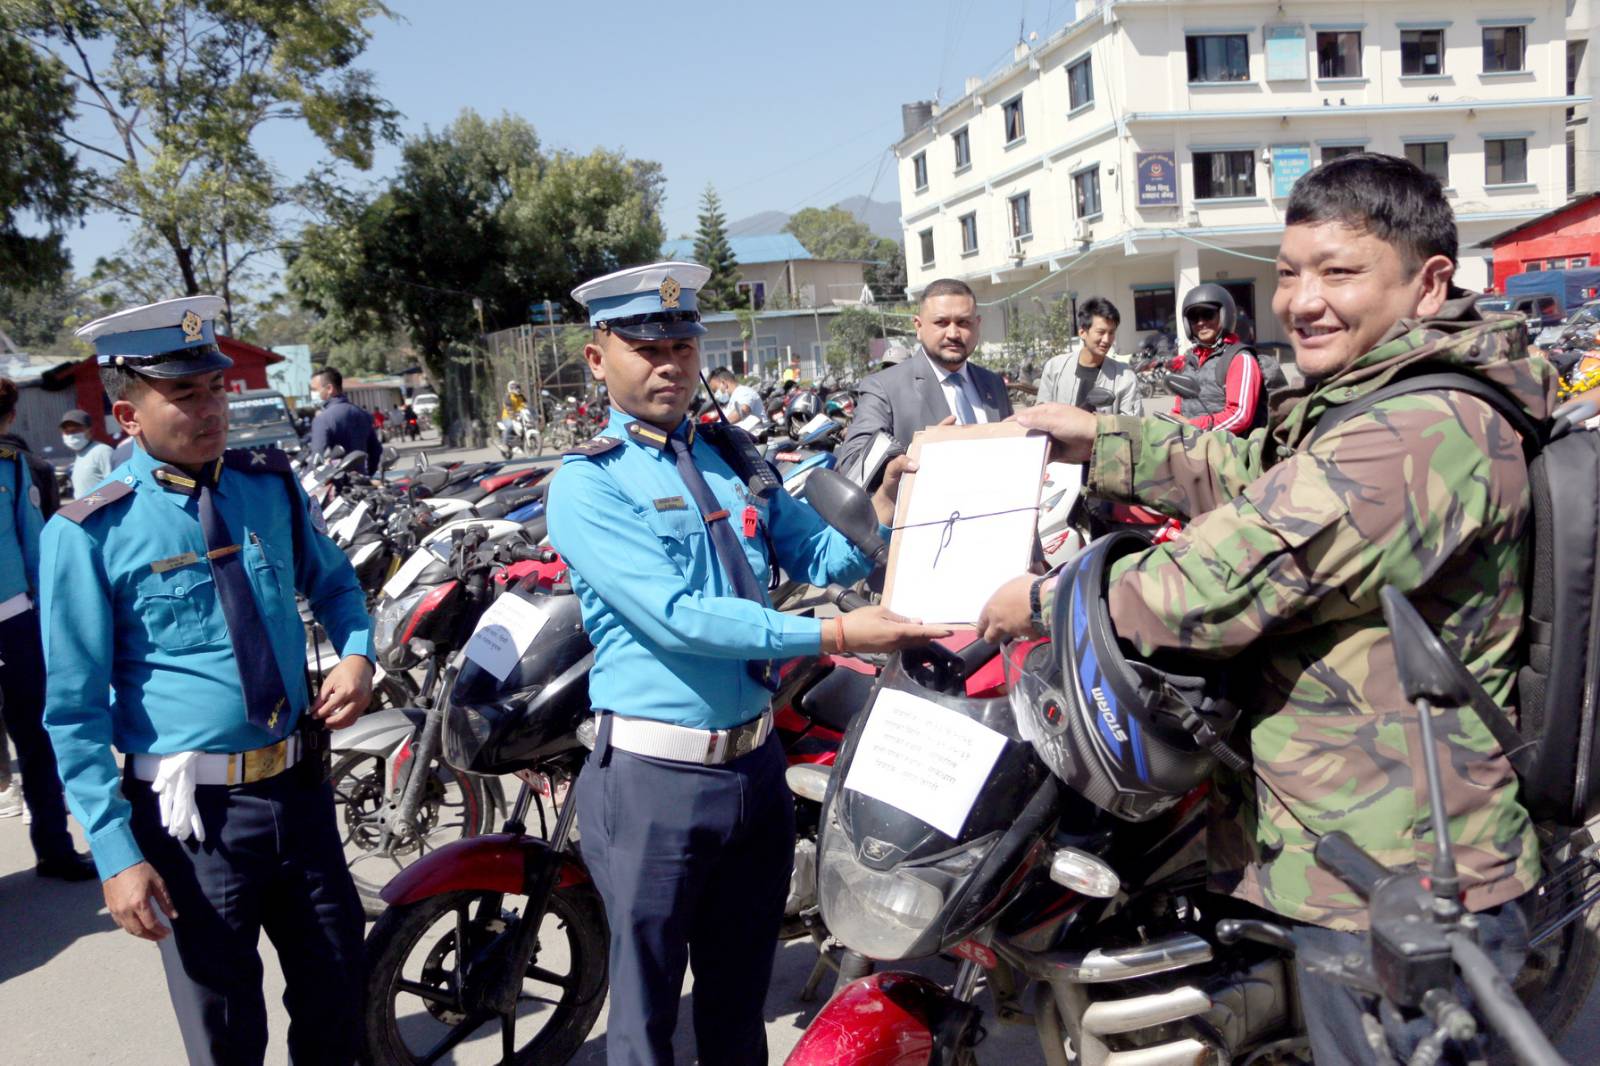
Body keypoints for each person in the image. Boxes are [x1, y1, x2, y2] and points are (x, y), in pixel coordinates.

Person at [977, 154, 1542, 1065]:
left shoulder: (1426, 429)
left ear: (1429, 283)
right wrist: (1099, 439)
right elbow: (1250, 480)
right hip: (1351, 845)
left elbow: (1218, 582)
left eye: (1339, 271)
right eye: (1288, 272)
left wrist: (1046, 600)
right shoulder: (1367, 400)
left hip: (1404, 875)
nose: (1302, 300)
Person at [546, 261, 947, 1066]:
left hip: (753, 772)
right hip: (654, 782)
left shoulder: (733, 455)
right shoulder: (588, 485)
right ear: (599, 359)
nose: (671, 363)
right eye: (645, 346)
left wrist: (893, 505)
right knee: (646, 1021)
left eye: (684, 344)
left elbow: (823, 553)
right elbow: (680, 617)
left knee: (738, 1006)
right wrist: (832, 639)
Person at [40, 296, 375, 1065]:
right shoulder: (91, 531)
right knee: (226, 1032)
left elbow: (338, 588)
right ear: (128, 414)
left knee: (337, 1001)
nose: (210, 407)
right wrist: (118, 854)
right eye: (184, 394)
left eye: (216, 388)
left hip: (299, 787)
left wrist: (358, 655)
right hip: (196, 822)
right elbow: (74, 712)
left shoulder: (266, 485)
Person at [0, 377, 94, 876]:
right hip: (15, 620)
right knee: (35, 741)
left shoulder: (14, 468)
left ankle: (55, 849)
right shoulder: (15, 468)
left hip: (15, 621)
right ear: (12, 417)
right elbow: (36, 551)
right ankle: (54, 850)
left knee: (35, 738)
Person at [838, 278, 1013, 474]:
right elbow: (852, 464)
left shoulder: (993, 383)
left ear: (977, 325)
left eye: (963, 322)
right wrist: (920, 454)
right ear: (918, 326)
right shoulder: (883, 388)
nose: (953, 333)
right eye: (941, 322)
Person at [1170, 284, 1264, 434]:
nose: (1201, 322)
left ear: (1224, 315)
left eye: (1208, 314)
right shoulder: (1190, 360)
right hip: (1193, 446)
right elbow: (1179, 408)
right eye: (1194, 317)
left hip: (1226, 450)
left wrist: (1193, 426)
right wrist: (1173, 419)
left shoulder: (1239, 358)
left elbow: (1239, 415)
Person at [1034, 297, 1143, 415]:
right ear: (1082, 333)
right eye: (1101, 332)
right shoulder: (1055, 368)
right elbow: (1041, 414)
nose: (1107, 340)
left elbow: (1133, 426)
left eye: (1111, 333)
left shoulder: (1125, 378)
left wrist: (1102, 424)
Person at [308, 365, 381, 473]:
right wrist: (368, 474)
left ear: (329, 388)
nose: (312, 394)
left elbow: (317, 458)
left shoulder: (322, 419)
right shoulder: (362, 414)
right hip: (361, 482)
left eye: (314, 389)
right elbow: (376, 450)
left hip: (337, 484)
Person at [59, 407, 117, 499]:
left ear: (90, 431)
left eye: (76, 430)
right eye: (67, 432)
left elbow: (117, 487)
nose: (71, 435)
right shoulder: (80, 455)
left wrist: (88, 504)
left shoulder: (102, 451)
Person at [501, 378, 529, 450]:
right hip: (508, 417)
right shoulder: (508, 396)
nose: (518, 389)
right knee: (510, 426)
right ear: (511, 388)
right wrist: (513, 415)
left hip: (520, 416)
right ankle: (504, 444)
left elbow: (526, 405)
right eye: (515, 388)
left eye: (518, 387)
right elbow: (508, 407)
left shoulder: (521, 396)